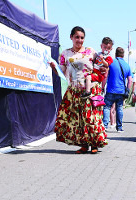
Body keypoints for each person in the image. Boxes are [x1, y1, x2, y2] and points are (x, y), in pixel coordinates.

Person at [50, 26, 107, 154]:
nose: (79, 40)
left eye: (82, 38)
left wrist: (101, 75)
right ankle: (83, 145)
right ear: (71, 37)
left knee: (91, 117)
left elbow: (102, 65)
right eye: (77, 37)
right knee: (79, 118)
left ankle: (94, 144)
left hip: (90, 89)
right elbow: (61, 72)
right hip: (75, 90)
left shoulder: (91, 51)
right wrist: (54, 67)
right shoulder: (65, 53)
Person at [102, 47, 132, 132]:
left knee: (107, 107)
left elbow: (105, 75)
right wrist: (128, 90)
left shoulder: (111, 62)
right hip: (121, 91)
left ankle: (104, 126)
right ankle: (119, 128)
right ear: (123, 55)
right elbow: (130, 80)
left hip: (110, 90)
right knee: (119, 108)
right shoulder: (127, 65)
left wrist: (102, 86)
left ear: (115, 54)